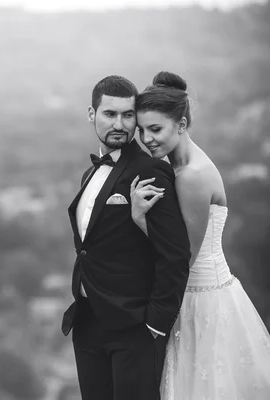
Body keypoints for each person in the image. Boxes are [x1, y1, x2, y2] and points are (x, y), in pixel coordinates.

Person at [130, 71, 270, 399]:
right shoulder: (183, 167)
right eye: (142, 131)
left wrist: (138, 218)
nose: (147, 139)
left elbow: (182, 256)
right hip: (210, 292)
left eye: (156, 129)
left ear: (181, 124)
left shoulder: (190, 176)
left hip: (200, 300)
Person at [60, 75, 191, 400]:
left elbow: (175, 254)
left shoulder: (150, 170)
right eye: (109, 114)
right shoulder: (89, 173)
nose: (119, 123)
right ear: (92, 114)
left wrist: (155, 326)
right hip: (88, 324)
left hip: (135, 329)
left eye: (127, 115)